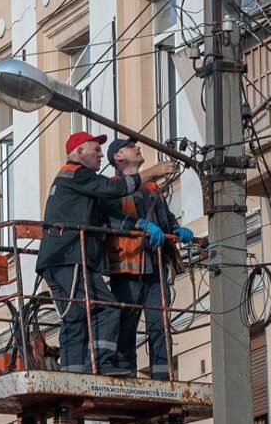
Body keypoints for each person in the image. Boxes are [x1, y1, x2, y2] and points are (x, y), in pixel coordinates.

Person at [36, 131, 176, 375]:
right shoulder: (78, 174)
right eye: (95, 149)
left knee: (76, 316)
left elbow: (111, 214)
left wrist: (157, 227)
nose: (100, 154)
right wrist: (153, 172)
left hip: (62, 258)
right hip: (72, 258)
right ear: (80, 153)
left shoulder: (77, 180)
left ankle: (74, 374)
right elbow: (114, 191)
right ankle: (100, 363)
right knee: (106, 307)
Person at [102, 138, 194, 380]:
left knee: (159, 324)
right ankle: (125, 375)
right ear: (119, 157)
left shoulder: (152, 189)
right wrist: (139, 225)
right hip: (127, 267)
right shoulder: (113, 186)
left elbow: (168, 219)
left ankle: (162, 376)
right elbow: (110, 217)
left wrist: (177, 230)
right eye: (132, 147)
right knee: (127, 323)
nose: (138, 148)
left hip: (155, 266)